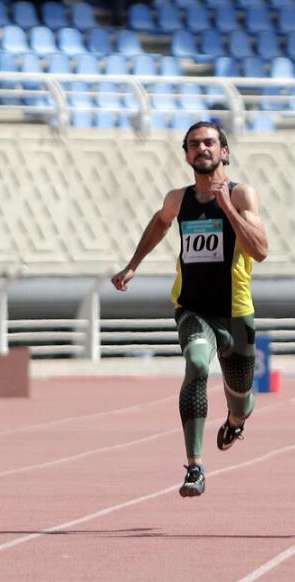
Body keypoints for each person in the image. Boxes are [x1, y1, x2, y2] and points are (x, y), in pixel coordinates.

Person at [111, 122, 269, 498]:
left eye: (209, 143)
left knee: (241, 400)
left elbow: (260, 251)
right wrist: (134, 264)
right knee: (197, 364)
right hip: (192, 308)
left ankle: (234, 421)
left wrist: (227, 206)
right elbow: (160, 223)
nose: (202, 149)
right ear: (186, 155)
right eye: (194, 144)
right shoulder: (178, 200)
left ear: (224, 151)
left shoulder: (242, 194)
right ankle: (194, 466)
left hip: (236, 311)